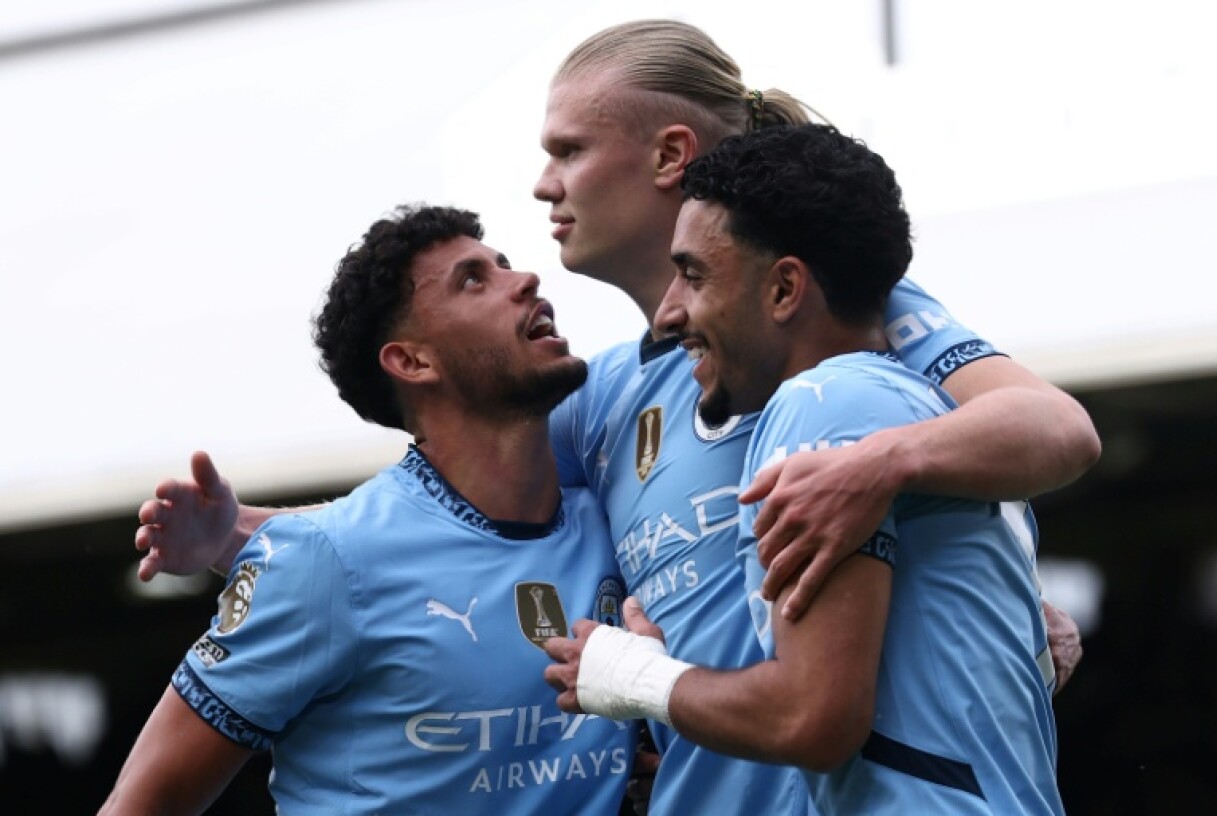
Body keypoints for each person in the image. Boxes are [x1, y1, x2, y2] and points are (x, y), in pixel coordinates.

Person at [131, 19, 1095, 815]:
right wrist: (243, 537)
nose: (544, 188)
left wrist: (905, 495)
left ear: (670, 153)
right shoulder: (604, 402)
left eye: (567, 152)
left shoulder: (829, 323)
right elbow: (446, 525)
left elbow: (1057, 432)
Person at [544, 122, 1065, 815]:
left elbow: (811, 719)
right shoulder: (919, 404)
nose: (672, 312)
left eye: (694, 275)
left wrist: (634, 677)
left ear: (786, 288)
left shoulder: (823, 402)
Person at [100, 205, 635, 815]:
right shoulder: (320, 563)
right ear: (412, 362)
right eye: (473, 280)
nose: (525, 281)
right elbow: (142, 804)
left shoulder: (614, 518)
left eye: (504, 266)